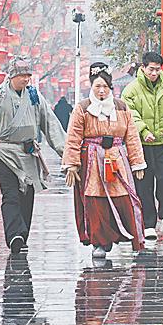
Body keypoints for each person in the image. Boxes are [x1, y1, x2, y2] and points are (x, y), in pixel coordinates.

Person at [0, 57, 65, 253]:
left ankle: (22, 235)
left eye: (28, 75)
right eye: (22, 75)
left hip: (28, 153)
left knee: (27, 196)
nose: (26, 79)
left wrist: (65, 151)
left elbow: (50, 123)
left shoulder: (34, 96)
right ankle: (14, 234)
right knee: (10, 195)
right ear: (12, 76)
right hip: (5, 153)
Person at [62, 63, 146, 258]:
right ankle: (99, 242)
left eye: (105, 87)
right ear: (91, 86)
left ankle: (123, 235)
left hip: (116, 159)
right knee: (95, 200)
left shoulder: (121, 107)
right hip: (92, 159)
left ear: (111, 87)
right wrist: (71, 165)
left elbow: (132, 136)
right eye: (97, 86)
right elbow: (73, 137)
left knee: (123, 198)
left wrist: (137, 162)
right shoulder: (82, 108)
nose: (101, 91)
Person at [122, 51, 163, 240]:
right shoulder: (131, 90)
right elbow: (130, 114)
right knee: (144, 184)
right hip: (141, 145)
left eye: (157, 69)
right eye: (151, 69)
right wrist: (144, 131)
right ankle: (148, 223)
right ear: (143, 68)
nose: (154, 73)